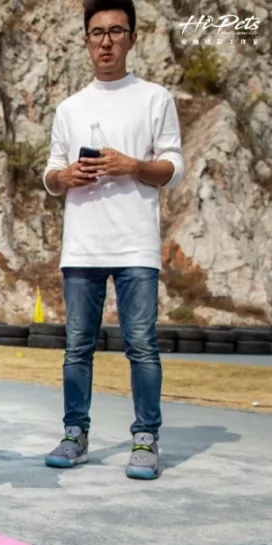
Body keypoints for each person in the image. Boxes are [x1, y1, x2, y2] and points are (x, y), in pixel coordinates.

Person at [42, 0, 184, 480]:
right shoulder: (70, 108)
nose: (106, 41)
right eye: (97, 32)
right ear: (86, 40)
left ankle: (146, 438)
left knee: (141, 346)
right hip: (81, 246)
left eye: (116, 32)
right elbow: (50, 174)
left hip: (135, 245)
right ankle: (74, 434)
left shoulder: (154, 98)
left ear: (132, 38)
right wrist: (66, 175)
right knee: (77, 347)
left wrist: (132, 166)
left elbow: (172, 167)